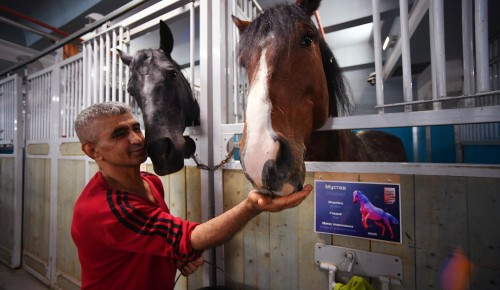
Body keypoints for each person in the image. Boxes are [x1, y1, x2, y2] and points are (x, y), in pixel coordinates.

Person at [71, 101, 312, 290]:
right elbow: (188, 238)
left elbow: (155, 239)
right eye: (119, 134)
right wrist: (251, 205)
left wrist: (175, 257)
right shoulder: (107, 209)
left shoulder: (150, 182)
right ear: (92, 150)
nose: (136, 139)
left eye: (135, 127)